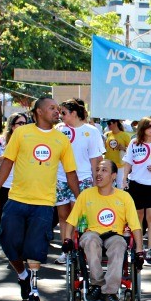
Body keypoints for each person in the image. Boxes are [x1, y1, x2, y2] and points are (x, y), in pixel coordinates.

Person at [0, 97, 79, 301]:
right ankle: (22, 275)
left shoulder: (61, 139)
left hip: (44, 203)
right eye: (52, 108)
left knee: (35, 248)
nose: (57, 112)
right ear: (38, 112)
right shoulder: (22, 133)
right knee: (9, 242)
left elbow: (70, 172)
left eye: (58, 109)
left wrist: (81, 197)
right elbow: (8, 162)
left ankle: (33, 291)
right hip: (17, 199)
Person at [63, 160, 144, 301]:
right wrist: (67, 239)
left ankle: (109, 292)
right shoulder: (86, 195)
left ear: (113, 176)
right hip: (91, 233)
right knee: (90, 241)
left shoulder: (124, 197)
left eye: (104, 170)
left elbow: (135, 225)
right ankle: (98, 284)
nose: (99, 173)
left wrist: (139, 249)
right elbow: (72, 220)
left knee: (120, 244)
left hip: (114, 235)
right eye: (98, 170)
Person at [54, 98, 105, 265]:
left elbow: (95, 160)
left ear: (74, 113)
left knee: (78, 216)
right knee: (63, 215)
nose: (60, 116)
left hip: (83, 178)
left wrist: (96, 182)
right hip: (61, 179)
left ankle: (79, 249)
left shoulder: (91, 131)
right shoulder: (59, 130)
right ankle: (66, 250)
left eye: (64, 113)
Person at [122, 117, 151, 262]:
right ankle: (138, 247)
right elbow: (128, 162)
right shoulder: (134, 143)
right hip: (137, 184)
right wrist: (124, 179)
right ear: (143, 129)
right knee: (138, 217)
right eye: (149, 126)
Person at [0, 112, 28, 224]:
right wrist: (7, 157)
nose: (23, 126)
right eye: (20, 123)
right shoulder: (1, 141)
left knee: (20, 220)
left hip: (23, 187)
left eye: (25, 123)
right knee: (4, 218)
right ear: (12, 125)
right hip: (5, 186)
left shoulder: (29, 141)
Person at [104, 119, 131, 188]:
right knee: (109, 185)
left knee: (120, 185)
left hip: (120, 165)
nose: (108, 125)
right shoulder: (107, 134)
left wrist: (124, 148)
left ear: (115, 123)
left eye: (109, 123)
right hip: (109, 164)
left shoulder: (125, 135)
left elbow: (132, 150)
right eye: (107, 123)